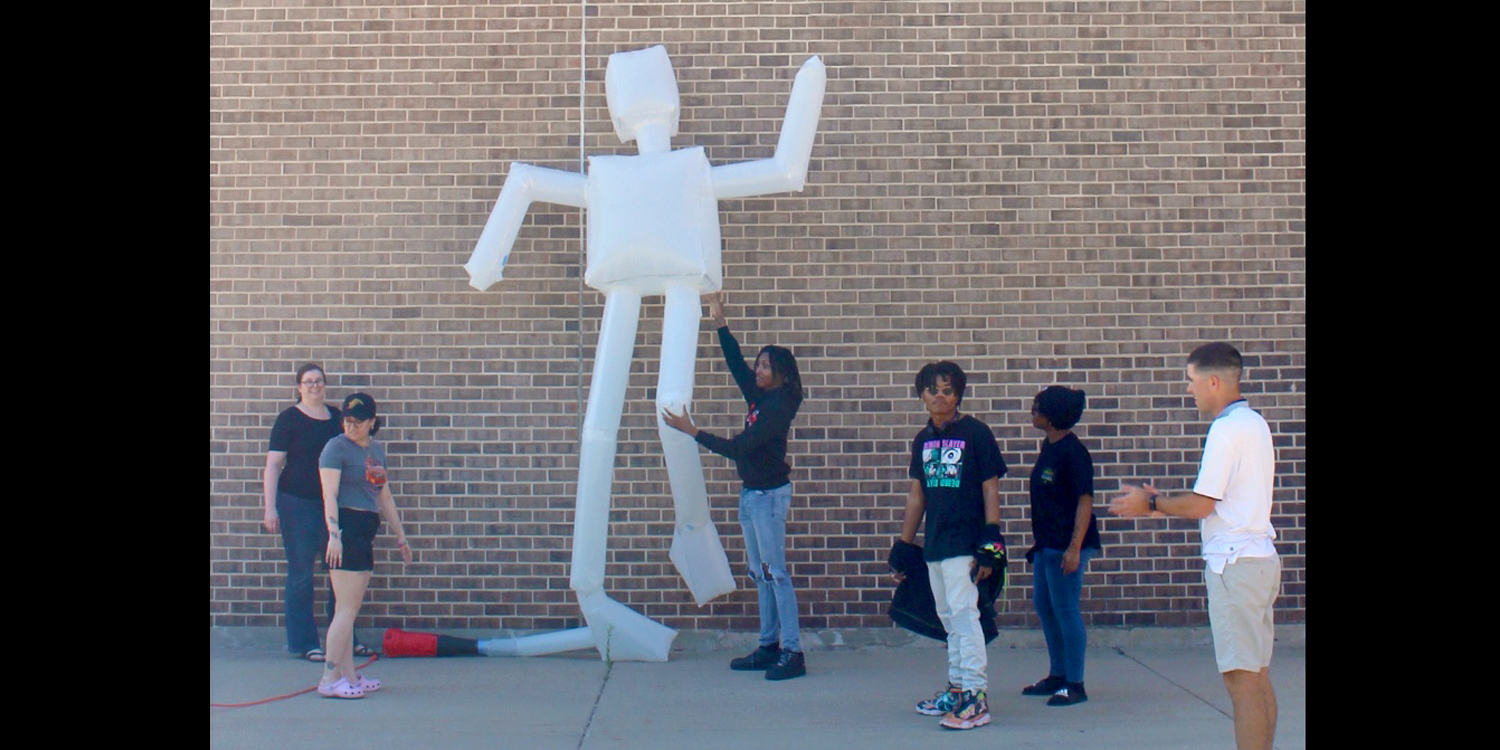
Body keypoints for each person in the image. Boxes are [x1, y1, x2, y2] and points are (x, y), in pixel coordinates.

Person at [1109, 343, 1280, 750]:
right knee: (1256, 677)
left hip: (1233, 567)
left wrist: (1150, 503)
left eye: (1191, 380)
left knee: (1241, 683)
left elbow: (1204, 504)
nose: (1189, 390)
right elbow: (1218, 500)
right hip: (1259, 563)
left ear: (1214, 381)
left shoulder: (1225, 429)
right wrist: (1162, 505)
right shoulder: (1254, 422)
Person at [661, 291, 808, 681]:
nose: (757, 371)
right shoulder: (761, 396)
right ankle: (768, 645)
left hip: (769, 497)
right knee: (759, 573)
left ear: (781, 372)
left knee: (776, 572)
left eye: (764, 366)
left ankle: (792, 652)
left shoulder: (778, 408)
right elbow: (735, 365)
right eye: (758, 364)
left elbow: (740, 447)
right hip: (752, 494)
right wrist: (719, 319)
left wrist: (693, 432)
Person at [894, 361, 1007, 730]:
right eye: (932, 389)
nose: (939, 396)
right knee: (947, 618)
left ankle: (976, 697)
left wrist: (991, 537)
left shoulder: (976, 433)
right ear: (921, 394)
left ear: (958, 394)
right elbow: (917, 496)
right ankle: (957, 689)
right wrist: (904, 545)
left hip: (966, 541)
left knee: (964, 616)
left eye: (947, 389)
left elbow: (990, 487)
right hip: (935, 545)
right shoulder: (922, 440)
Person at [262, 363, 368, 661]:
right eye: (307, 382)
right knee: (301, 574)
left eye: (318, 381)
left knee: (341, 571)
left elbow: (356, 450)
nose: (314, 386)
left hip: (333, 504)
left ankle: (344, 638)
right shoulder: (288, 420)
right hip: (297, 504)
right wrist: (270, 507)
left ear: (325, 384)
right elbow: (273, 465)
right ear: (299, 387)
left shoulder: (337, 417)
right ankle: (305, 643)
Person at [317, 393, 413, 698]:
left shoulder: (376, 450)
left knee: (351, 610)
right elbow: (329, 494)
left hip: (365, 530)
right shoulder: (336, 448)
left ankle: (350, 676)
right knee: (345, 610)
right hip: (345, 528)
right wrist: (335, 534)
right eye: (346, 420)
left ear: (372, 422)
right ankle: (329, 678)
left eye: (358, 421)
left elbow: (383, 496)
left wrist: (401, 536)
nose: (351, 426)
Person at [1021, 385, 1101, 706]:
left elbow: (1085, 501)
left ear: (1051, 417)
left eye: (1037, 407)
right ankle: (1057, 674)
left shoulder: (1073, 452)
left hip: (1067, 546)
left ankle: (1075, 683)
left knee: (1065, 609)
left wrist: (1074, 548)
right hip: (1046, 544)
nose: (1033, 412)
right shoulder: (1049, 446)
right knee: (1044, 606)